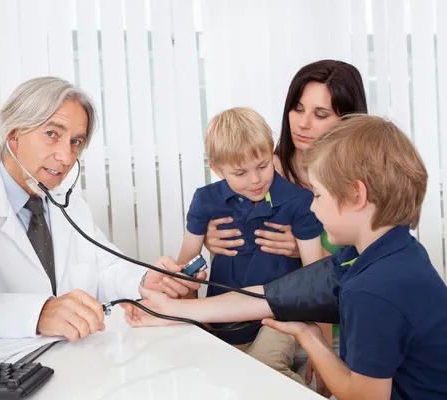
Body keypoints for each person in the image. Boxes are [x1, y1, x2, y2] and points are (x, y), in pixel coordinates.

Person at [123, 115, 447, 399]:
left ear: (356, 195)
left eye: (319, 195)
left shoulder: (374, 289)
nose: (314, 207)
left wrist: (312, 339)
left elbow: (364, 397)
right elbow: (265, 297)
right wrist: (173, 308)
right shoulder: (377, 257)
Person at [0, 77, 204, 340]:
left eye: (75, 142)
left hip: (68, 366)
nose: (66, 156)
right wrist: (38, 314)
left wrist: (142, 280)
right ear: (13, 134)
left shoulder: (68, 206)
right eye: (52, 134)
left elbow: (106, 269)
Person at [203, 60, 368, 395]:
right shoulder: (259, 170)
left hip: (338, 329)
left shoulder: (361, 185)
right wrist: (208, 236)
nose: (303, 124)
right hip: (260, 320)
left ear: (346, 121)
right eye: (297, 108)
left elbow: (360, 273)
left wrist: (303, 247)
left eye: (321, 114)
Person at [177, 107, 324, 383]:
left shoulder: (299, 202)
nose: (256, 180)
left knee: (265, 372)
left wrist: (321, 348)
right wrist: (194, 320)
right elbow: (184, 265)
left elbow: (318, 275)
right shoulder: (205, 200)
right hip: (221, 318)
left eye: (263, 165)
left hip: (279, 318)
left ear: (272, 154)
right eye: (240, 173)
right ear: (217, 170)